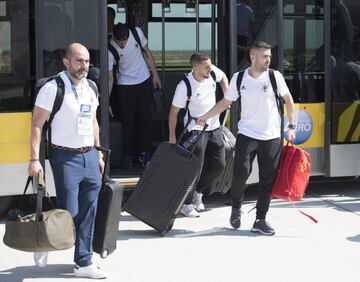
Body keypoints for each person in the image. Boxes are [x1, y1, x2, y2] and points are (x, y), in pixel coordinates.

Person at [197, 41, 296, 235]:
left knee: (267, 179)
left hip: (272, 136)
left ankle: (260, 219)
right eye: (265, 56)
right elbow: (226, 102)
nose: (269, 59)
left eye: (269, 56)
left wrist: (291, 126)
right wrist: (206, 116)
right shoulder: (239, 78)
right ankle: (236, 207)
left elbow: (288, 100)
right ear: (253, 57)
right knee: (240, 173)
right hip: (247, 134)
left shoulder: (275, 77)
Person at [28, 43, 107, 279]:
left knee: (89, 211)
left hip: (90, 155)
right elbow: (36, 125)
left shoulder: (91, 87)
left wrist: (99, 153)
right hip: (65, 156)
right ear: (66, 62)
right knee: (68, 210)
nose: (84, 66)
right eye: (79, 61)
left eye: (87, 61)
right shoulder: (53, 88)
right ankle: (46, 243)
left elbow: (93, 121)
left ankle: (83, 262)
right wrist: (34, 159)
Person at [168, 52, 229, 217]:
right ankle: (185, 203)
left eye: (210, 65)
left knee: (219, 165)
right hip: (195, 129)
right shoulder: (184, 86)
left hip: (214, 126)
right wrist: (172, 138)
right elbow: (173, 113)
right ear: (195, 68)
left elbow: (223, 79)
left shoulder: (212, 73)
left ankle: (198, 192)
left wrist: (227, 98)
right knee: (195, 167)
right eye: (207, 67)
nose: (210, 69)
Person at [108, 23, 161, 169]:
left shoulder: (136, 32)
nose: (123, 44)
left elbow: (147, 53)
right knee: (127, 123)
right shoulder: (110, 48)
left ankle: (145, 154)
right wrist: (106, 101)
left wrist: (155, 75)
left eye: (125, 40)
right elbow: (110, 78)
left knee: (145, 120)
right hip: (124, 86)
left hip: (143, 81)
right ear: (114, 37)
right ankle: (127, 156)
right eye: (120, 41)